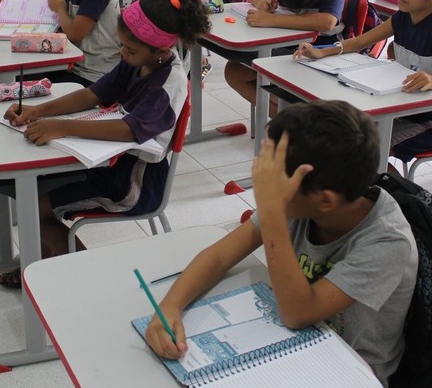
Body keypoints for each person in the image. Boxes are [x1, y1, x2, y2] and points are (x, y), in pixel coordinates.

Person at [144, 101, 418, 385]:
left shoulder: (387, 241)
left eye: (275, 181)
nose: (266, 185)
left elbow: (298, 313)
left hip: (350, 368)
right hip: (292, 342)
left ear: (325, 200)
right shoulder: (302, 199)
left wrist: (273, 209)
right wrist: (170, 307)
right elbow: (219, 256)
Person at [0, 0, 211, 288]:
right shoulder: (137, 61)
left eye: (130, 49)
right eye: (122, 45)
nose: (122, 53)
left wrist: (63, 126)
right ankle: (38, 265)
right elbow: (94, 94)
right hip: (108, 164)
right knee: (35, 191)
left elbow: (128, 130)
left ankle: (90, 279)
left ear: (160, 50)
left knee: (35, 207)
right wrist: (39, 111)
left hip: (134, 182)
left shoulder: (168, 84)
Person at [295, 0, 432, 167]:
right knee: (347, 141)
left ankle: (399, 196)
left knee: (368, 152)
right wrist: (322, 51)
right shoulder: (403, 17)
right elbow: (359, 43)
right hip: (401, 107)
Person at [224, 0, 346, 106]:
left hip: (321, 46)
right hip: (283, 41)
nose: (297, 11)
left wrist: (272, 20)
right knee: (234, 72)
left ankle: (289, 121)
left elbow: (327, 22)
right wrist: (260, 1)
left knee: (283, 88)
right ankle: (284, 124)